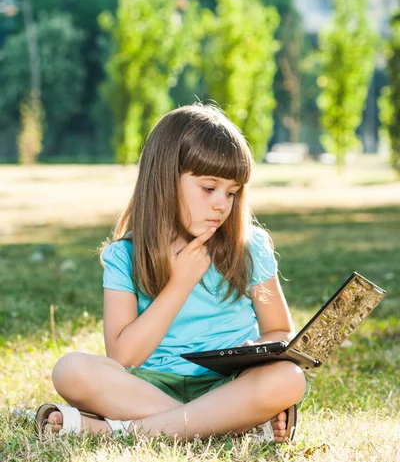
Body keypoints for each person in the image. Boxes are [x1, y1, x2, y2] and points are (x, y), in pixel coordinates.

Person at [36, 103, 307, 442]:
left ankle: (118, 432)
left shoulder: (250, 247)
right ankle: (228, 427)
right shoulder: (126, 255)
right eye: (209, 189)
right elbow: (123, 356)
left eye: (232, 193)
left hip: (229, 386)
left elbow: (279, 329)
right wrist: (180, 283)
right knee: (71, 371)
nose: (222, 204)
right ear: (164, 179)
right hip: (149, 384)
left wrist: (259, 350)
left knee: (288, 377)